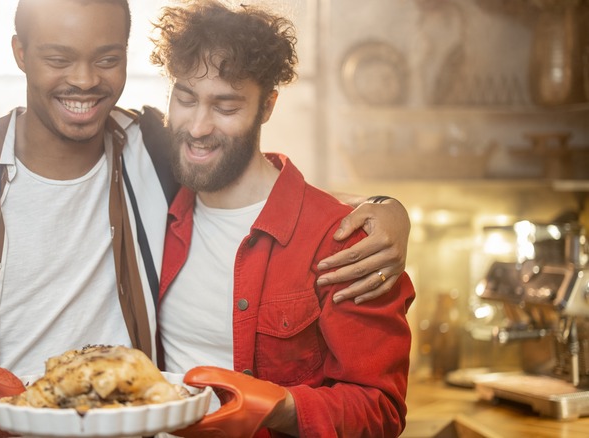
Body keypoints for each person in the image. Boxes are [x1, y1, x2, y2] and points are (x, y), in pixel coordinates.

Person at [0, 1, 409, 437]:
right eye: (186, 98)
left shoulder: (151, 152)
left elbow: (275, 198)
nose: (85, 80)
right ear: (20, 53)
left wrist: (387, 209)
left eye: (107, 58)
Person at [146, 2, 415, 437]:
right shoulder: (158, 200)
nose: (197, 127)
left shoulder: (344, 242)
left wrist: (280, 407)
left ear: (267, 106)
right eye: (185, 98)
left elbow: (380, 410)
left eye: (226, 107)